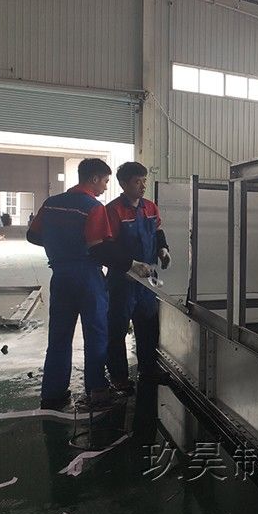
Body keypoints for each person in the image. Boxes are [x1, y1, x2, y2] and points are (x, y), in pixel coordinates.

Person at [27, 159, 152, 411]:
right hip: (87, 277)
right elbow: (99, 249)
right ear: (94, 179)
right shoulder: (93, 207)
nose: (105, 187)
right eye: (105, 181)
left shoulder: (51, 203)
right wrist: (131, 264)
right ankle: (97, 392)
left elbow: (33, 235)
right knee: (96, 334)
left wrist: (60, 245)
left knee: (59, 336)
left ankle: (52, 394)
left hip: (60, 276)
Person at [105, 162, 170, 392]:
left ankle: (148, 369)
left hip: (147, 282)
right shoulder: (113, 211)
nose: (143, 186)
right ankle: (119, 377)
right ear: (123, 184)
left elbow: (158, 231)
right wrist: (128, 268)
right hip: (122, 281)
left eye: (144, 181)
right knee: (117, 329)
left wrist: (163, 249)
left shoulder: (150, 207)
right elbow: (107, 246)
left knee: (148, 327)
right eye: (137, 181)